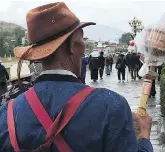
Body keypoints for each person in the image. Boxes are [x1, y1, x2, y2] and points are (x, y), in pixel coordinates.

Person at [0, 2, 153, 152]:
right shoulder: (111, 106)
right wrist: (144, 136)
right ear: (75, 46)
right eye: (82, 39)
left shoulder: (7, 113)